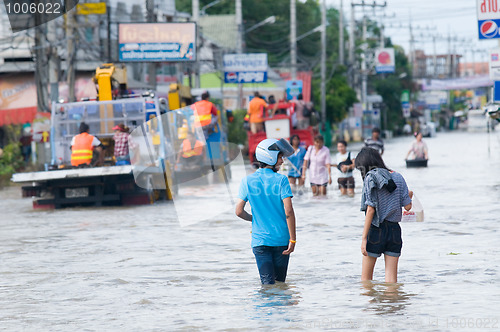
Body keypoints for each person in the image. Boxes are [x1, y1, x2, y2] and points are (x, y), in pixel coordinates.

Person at [235, 138, 296, 285]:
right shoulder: (281, 180)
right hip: (281, 240)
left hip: (260, 241)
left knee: (267, 285)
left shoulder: (247, 181)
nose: (282, 161)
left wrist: (254, 218)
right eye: (281, 157)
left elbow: (238, 211)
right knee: (280, 284)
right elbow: (288, 211)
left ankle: (266, 309)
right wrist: (293, 239)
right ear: (271, 157)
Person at [354, 147, 413, 283]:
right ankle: (391, 304)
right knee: (391, 281)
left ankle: (373, 305)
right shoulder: (398, 177)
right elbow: (408, 207)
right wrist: (409, 195)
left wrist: (363, 238)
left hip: (376, 229)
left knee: (366, 281)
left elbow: (371, 209)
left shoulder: (370, 177)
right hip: (394, 230)